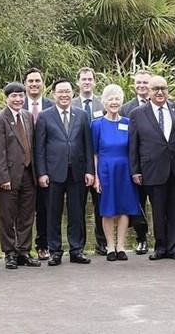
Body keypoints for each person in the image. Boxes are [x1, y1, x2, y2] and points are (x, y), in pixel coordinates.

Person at [129, 75, 175, 261]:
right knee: (158, 210)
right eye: (155, 88)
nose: (159, 92)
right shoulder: (138, 113)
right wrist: (135, 170)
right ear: (148, 91)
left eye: (163, 88)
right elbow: (134, 145)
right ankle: (161, 247)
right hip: (153, 169)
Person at [35, 79, 95, 266]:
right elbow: (40, 148)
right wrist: (42, 172)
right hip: (53, 173)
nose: (64, 95)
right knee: (53, 213)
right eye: (60, 92)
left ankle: (77, 250)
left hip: (77, 171)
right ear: (53, 94)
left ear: (73, 93)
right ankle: (55, 251)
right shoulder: (45, 116)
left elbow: (88, 145)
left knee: (77, 212)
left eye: (67, 92)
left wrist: (90, 171)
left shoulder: (82, 115)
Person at [0, 82, 40, 270]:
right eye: (14, 96)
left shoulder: (28, 116)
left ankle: (24, 251)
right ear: (6, 98)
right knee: (7, 216)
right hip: (9, 176)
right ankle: (10, 253)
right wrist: (2, 178)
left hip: (29, 173)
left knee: (27, 215)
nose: (18, 99)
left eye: (21, 96)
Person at [92, 84, 139, 261]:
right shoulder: (96, 124)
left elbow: (133, 149)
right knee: (108, 209)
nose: (114, 102)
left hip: (124, 170)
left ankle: (121, 246)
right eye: (110, 99)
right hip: (105, 170)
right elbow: (94, 153)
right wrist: (96, 177)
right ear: (104, 102)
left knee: (124, 208)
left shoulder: (127, 123)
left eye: (117, 99)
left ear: (121, 101)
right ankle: (110, 246)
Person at [72, 67, 107, 255]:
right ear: (78, 82)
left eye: (89, 79)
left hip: (100, 162)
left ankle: (102, 243)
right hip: (78, 163)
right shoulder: (70, 103)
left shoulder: (103, 103)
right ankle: (78, 246)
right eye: (83, 79)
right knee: (77, 207)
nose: (86, 82)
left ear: (94, 82)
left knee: (100, 205)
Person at [21, 68, 54, 261]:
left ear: (43, 83)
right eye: (30, 81)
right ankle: (21, 248)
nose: (34, 84)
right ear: (25, 83)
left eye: (37, 81)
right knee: (24, 209)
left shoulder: (51, 105)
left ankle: (43, 245)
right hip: (22, 166)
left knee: (44, 207)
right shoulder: (16, 103)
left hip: (46, 166)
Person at [120, 70, 152, 255]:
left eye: (145, 82)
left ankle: (164, 240)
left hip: (156, 164)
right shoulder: (126, 109)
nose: (141, 86)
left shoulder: (162, 103)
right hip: (135, 165)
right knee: (137, 205)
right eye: (138, 82)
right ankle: (142, 239)